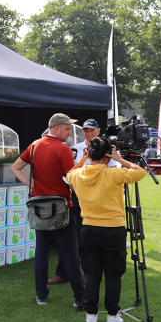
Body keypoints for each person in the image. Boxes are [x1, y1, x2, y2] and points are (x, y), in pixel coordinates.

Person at [66, 137, 146, 322]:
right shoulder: (113, 174)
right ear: (107, 155)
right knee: (113, 275)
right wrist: (120, 159)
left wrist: (83, 159)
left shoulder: (78, 175)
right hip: (113, 229)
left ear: (89, 153)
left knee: (92, 274)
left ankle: (91, 316)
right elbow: (140, 172)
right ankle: (112, 317)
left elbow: (69, 174)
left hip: (89, 229)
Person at [11, 113, 84, 307]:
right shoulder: (63, 149)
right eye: (67, 129)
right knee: (70, 253)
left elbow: (16, 167)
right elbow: (72, 179)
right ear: (56, 128)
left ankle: (41, 296)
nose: (70, 132)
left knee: (41, 252)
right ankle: (79, 298)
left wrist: (31, 185)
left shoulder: (34, 146)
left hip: (39, 207)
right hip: (62, 209)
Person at [48, 119, 117, 285]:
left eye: (91, 130)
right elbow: (68, 174)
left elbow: (114, 174)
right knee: (70, 236)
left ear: (98, 131)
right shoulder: (75, 149)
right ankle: (63, 272)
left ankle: (88, 273)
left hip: (98, 199)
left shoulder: (107, 149)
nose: (88, 133)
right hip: (76, 197)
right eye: (85, 130)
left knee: (86, 237)